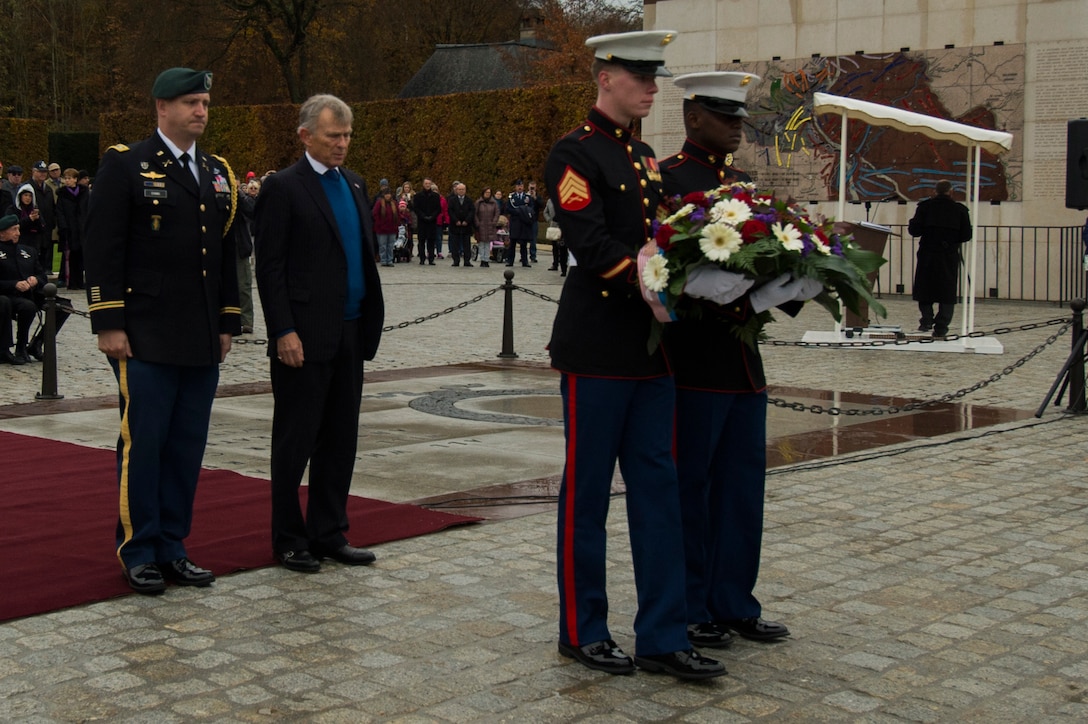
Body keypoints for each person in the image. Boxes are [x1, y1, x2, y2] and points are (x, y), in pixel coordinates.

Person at [544, 30, 726, 681]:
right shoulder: (575, 153)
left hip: (652, 354)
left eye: (656, 77)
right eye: (641, 76)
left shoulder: (645, 156)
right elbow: (590, 243)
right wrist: (651, 282)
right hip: (597, 347)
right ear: (606, 77)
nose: (653, 87)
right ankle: (582, 628)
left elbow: (663, 232)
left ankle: (662, 633)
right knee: (587, 494)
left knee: (658, 493)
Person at [661, 72, 821, 649]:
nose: (736, 127)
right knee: (693, 487)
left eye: (740, 118)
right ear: (693, 117)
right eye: (725, 117)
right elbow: (667, 271)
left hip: (743, 362)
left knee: (741, 488)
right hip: (695, 360)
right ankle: (693, 603)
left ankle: (735, 601)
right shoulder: (668, 180)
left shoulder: (747, 186)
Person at [83, 67, 241, 595]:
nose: (200, 110)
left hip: (197, 333)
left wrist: (226, 321)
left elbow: (221, 257)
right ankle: (139, 547)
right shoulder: (126, 166)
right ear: (161, 108)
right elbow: (103, 249)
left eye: (204, 102)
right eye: (190, 102)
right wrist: (108, 321)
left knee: (186, 445)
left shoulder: (217, 172)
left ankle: (173, 545)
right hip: (144, 333)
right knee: (145, 442)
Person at [255, 94, 385, 574]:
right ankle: (289, 537)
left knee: (340, 438)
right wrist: (283, 330)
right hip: (303, 338)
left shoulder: (354, 184)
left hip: (350, 330)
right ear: (306, 135)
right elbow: (269, 268)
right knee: (295, 440)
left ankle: (329, 531)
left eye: (348, 135)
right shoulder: (284, 188)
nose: (342, 144)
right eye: (334, 135)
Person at [909, 179, 972, 337]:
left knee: (925, 287)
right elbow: (966, 235)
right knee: (947, 291)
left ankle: (926, 320)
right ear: (951, 192)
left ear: (934, 192)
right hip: (948, 255)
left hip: (928, 253)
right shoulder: (960, 210)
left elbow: (914, 230)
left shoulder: (925, 207)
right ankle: (942, 327)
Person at [0, 213, 46, 364]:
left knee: (61, 307)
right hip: (6, 294)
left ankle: (26, 346)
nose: (18, 233)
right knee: (4, 302)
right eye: (14, 229)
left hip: (28, 295)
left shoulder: (27, 251)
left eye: (18, 229)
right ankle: (5, 348)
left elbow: (41, 275)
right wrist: (14, 284)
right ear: (2, 233)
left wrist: (35, 280)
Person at [55, 167, 89, 291]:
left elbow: (87, 209)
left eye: (70, 178)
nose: (67, 180)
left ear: (75, 179)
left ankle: (80, 281)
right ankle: (71, 281)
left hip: (81, 228)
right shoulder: (62, 194)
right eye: (66, 178)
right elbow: (59, 212)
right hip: (69, 229)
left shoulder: (83, 192)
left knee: (81, 255)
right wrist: (63, 226)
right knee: (70, 255)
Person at [236, 177, 259, 333]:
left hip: (239, 244)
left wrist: (238, 194)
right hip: (221, 244)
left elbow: (252, 210)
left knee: (243, 285)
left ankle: (246, 320)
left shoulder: (241, 197)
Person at [28, 161, 57, 273]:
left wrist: (53, 221)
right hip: (34, 227)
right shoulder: (29, 188)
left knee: (47, 249)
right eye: (40, 172)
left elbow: (52, 207)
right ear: (34, 171)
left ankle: (46, 270)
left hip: (47, 227)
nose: (43, 174)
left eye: (44, 172)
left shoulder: (48, 189)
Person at [504, 179, 534, 267]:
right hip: (515, 221)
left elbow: (531, 207)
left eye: (521, 186)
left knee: (524, 244)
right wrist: (518, 212)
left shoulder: (527, 197)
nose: (520, 187)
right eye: (518, 186)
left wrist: (523, 212)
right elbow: (508, 208)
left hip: (524, 222)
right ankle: (510, 261)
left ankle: (525, 261)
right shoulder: (511, 197)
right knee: (512, 243)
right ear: (515, 187)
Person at [413, 178, 441, 265]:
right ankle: (422, 258)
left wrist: (432, 216)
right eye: (426, 183)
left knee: (431, 241)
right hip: (422, 222)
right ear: (423, 184)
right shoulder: (418, 195)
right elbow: (416, 208)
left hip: (432, 222)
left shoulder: (436, 196)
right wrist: (423, 216)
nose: (427, 185)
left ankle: (431, 259)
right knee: (421, 241)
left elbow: (438, 208)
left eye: (429, 183)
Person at [447, 182, 475, 267]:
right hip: (455, 225)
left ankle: (467, 261)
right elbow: (450, 211)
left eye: (463, 189)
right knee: (455, 244)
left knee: (467, 244)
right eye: (459, 189)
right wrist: (456, 220)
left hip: (466, 226)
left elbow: (472, 211)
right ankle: (456, 260)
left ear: (465, 190)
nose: (461, 191)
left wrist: (467, 220)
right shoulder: (452, 200)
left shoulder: (469, 200)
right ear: (456, 190)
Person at [372, 186, 399, 267]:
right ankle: (383, 260)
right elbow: (375, 214)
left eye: (389, 194)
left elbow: (398, 215)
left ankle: (390, 260)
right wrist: (379, 223)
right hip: (381, 229)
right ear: (383, 195)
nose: (388, 196)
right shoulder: (379, 203)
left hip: (392, 228)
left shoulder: (394, 203)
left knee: (390, 246)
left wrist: (396, 224)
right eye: (386, 194)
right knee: (383, 246)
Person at [474, 187, 500, 267]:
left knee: (488, 243)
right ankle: (482, 259)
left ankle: (486, 259)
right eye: (486, 192)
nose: (487, 194)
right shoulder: (479, 202)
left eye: (489, 192)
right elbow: (475, 213)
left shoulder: (494, 203)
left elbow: (497, 213)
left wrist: (494, 222)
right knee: (481, 243)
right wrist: (477, 223)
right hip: (481, 225)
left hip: (490, 225)